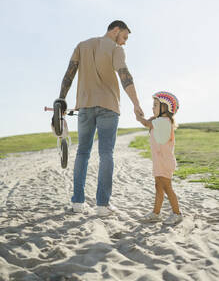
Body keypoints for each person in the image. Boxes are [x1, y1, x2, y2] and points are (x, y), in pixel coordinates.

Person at [57, 20, 144, 216]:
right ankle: (102, 206)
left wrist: (61, 99)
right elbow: (125, 76)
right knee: (106, 154)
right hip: (108, 106)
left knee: (82, 153)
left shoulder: (82, 45)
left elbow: (68, 75)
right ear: (115, 30)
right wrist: (136, 104)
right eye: (124, 37)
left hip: (85, 106)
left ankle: (77, 203)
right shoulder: (115, 49)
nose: (124, 43)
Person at [136, 91, 183, 225]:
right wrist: (147, 117)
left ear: (165, 108)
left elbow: (147, 123)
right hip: (159, 161)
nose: (153, 107)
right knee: (158, 187)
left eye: (156, 105)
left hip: (164, 162)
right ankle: (156, 213)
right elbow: (151, 120)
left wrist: (138, 116)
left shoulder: (163, 122)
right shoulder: (160, 120)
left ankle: (177, 214)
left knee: (167, 188)